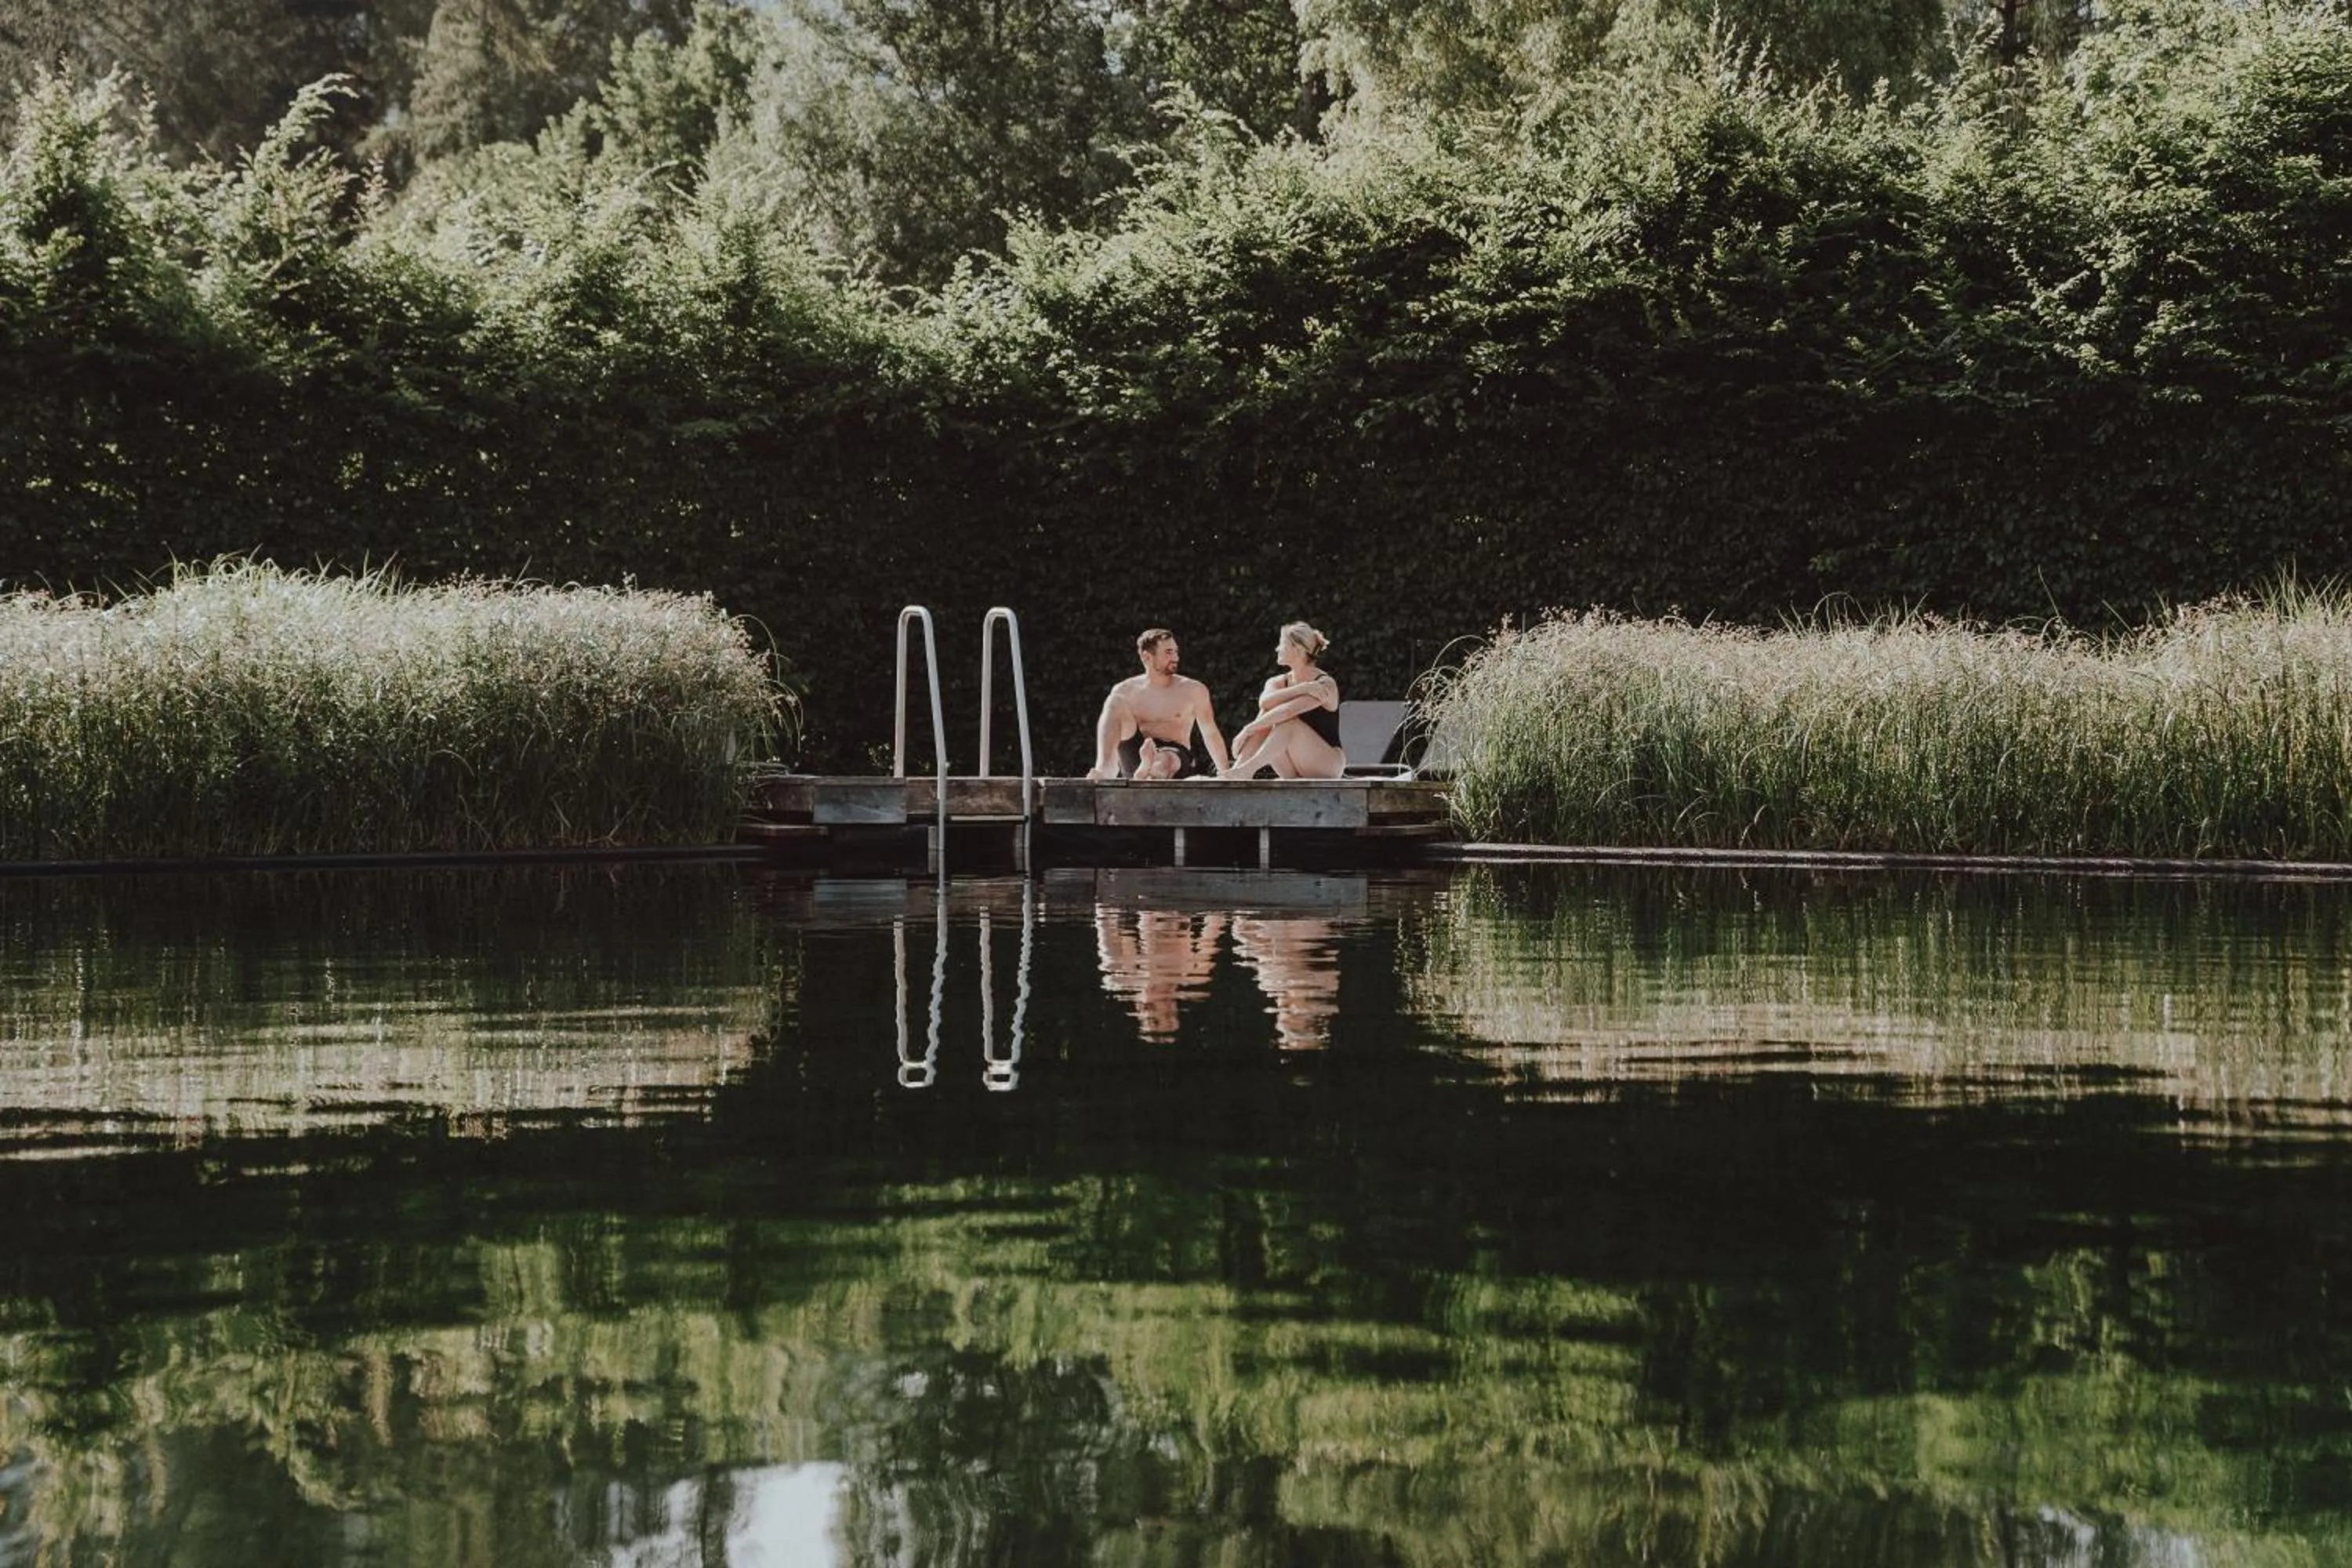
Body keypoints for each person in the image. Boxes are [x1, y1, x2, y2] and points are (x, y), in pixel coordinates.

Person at [1089, 629, 1232, 780]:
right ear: (1147, 657)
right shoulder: (1126, 691)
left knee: (1166, 760)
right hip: (1137, 757)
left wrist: (1226, 774)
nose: (1176, 657)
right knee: (1115, 702)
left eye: (1176, 652)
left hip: (1175, 756)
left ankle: (1150, 772)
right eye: (1168, 652)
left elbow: (1210, 733)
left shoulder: (1193, 690)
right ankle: (1106, 769)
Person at [1222, 622, 1345, 779]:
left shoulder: (1324, 684)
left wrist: (1248, 729)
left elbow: (1289, 711)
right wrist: (1302, 688)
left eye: (1282, 644)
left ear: (1298, 650)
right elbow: (1265, 703)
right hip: (1292, 768)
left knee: (1288, 722)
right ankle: (1239, 768)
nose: (1277, 649)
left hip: (1327, 764)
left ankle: (1248, 770)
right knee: (1267, 713)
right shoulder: (1277, 682)